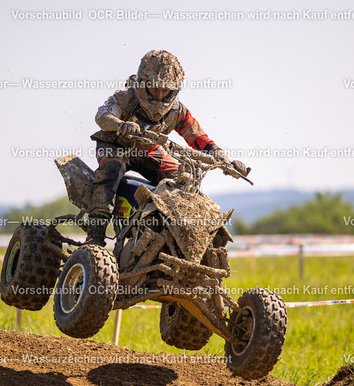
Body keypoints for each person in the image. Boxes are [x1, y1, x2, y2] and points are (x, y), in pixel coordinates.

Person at [85, 50, 249, 246]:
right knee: (109, 172)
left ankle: (175, 236)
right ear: (142, 83)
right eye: (154, 88)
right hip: (115, 146)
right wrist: (121, 125)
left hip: (149, 151)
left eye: (166, 90)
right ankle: (95, 236)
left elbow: (200, 139)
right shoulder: (125, 97)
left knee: (185, 181)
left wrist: (226, 162)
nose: (160, 95)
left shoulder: (177, 111)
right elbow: (102, 116)